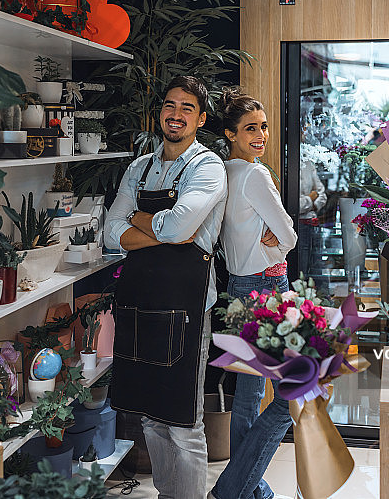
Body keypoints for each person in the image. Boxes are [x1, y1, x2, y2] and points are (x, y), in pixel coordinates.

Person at [104, 75, 227, 499]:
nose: (176, 114)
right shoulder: (139, 167)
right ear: (160, 113)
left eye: (187, 108)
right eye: (170, 106)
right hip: (140, 302)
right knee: (151, 417)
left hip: (186, 305)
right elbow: (110, 231)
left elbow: (179, 227)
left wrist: (143, 221)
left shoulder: (207, 166)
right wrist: (163, 228)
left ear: (201, 118)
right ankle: (166, 494)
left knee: (182, 421)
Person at [210, 89, 296, 499]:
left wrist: (271, 239)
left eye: (263, 126)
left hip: (239, 289)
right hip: (268, 286)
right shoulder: (255, 175)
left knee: (248, 395)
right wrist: (278, 243)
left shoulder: (221, 172)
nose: (260, 135)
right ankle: (232, 489)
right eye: (250, 129)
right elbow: (291, 237)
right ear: (231, 134)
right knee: (294, 392)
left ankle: (249, 489)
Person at [298, 155, 328, 290]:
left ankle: (320, 300)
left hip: (312, 224)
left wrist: (311, 204)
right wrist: (310, 199)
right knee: (301, 268)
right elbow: (292, 205)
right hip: (297, 226)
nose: (303, 133)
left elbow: (322, 195)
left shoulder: (308, 163)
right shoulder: (284, 162)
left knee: (317, 265)